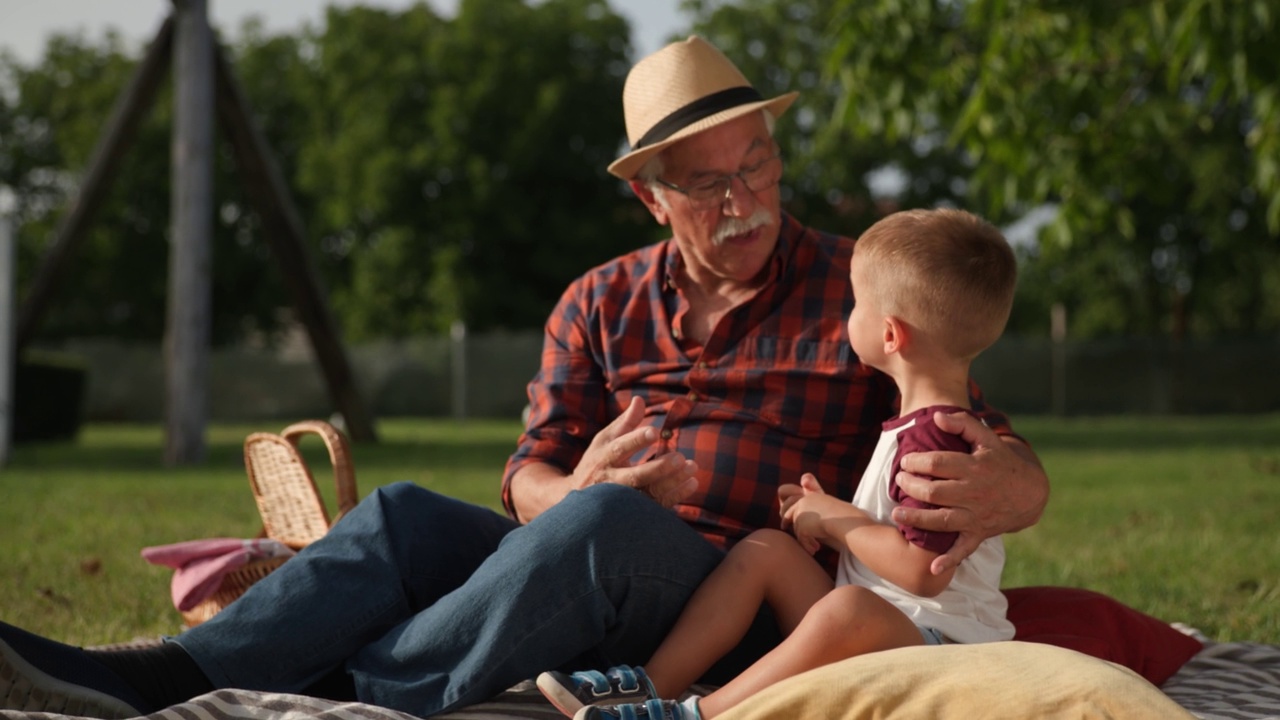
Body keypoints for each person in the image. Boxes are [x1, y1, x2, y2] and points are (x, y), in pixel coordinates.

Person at [0, 36, 1048, 720]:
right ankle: (160, 680)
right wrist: (573, 488)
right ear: (652, 199)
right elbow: (524, 477)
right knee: (411, 515)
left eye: (758, 164)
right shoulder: (596, 301)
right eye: (709, 183)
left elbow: (956, 420)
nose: (746, 199)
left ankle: (342, 690)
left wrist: (1023, 486)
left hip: (738, 602)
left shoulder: (860, 293)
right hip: (576, 550)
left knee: (607, 531)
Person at [536, 208, 1019, 720]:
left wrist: (833, 519)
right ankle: (650, 685)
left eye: (857, 304)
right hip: (884, 624)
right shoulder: (918, 424)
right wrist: (822, 509)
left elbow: (923, 572)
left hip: (941, 646)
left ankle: (697, 714)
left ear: (891, 335)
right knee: (767, 550)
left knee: (846, 609)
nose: (847, 315)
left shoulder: (937, 442)